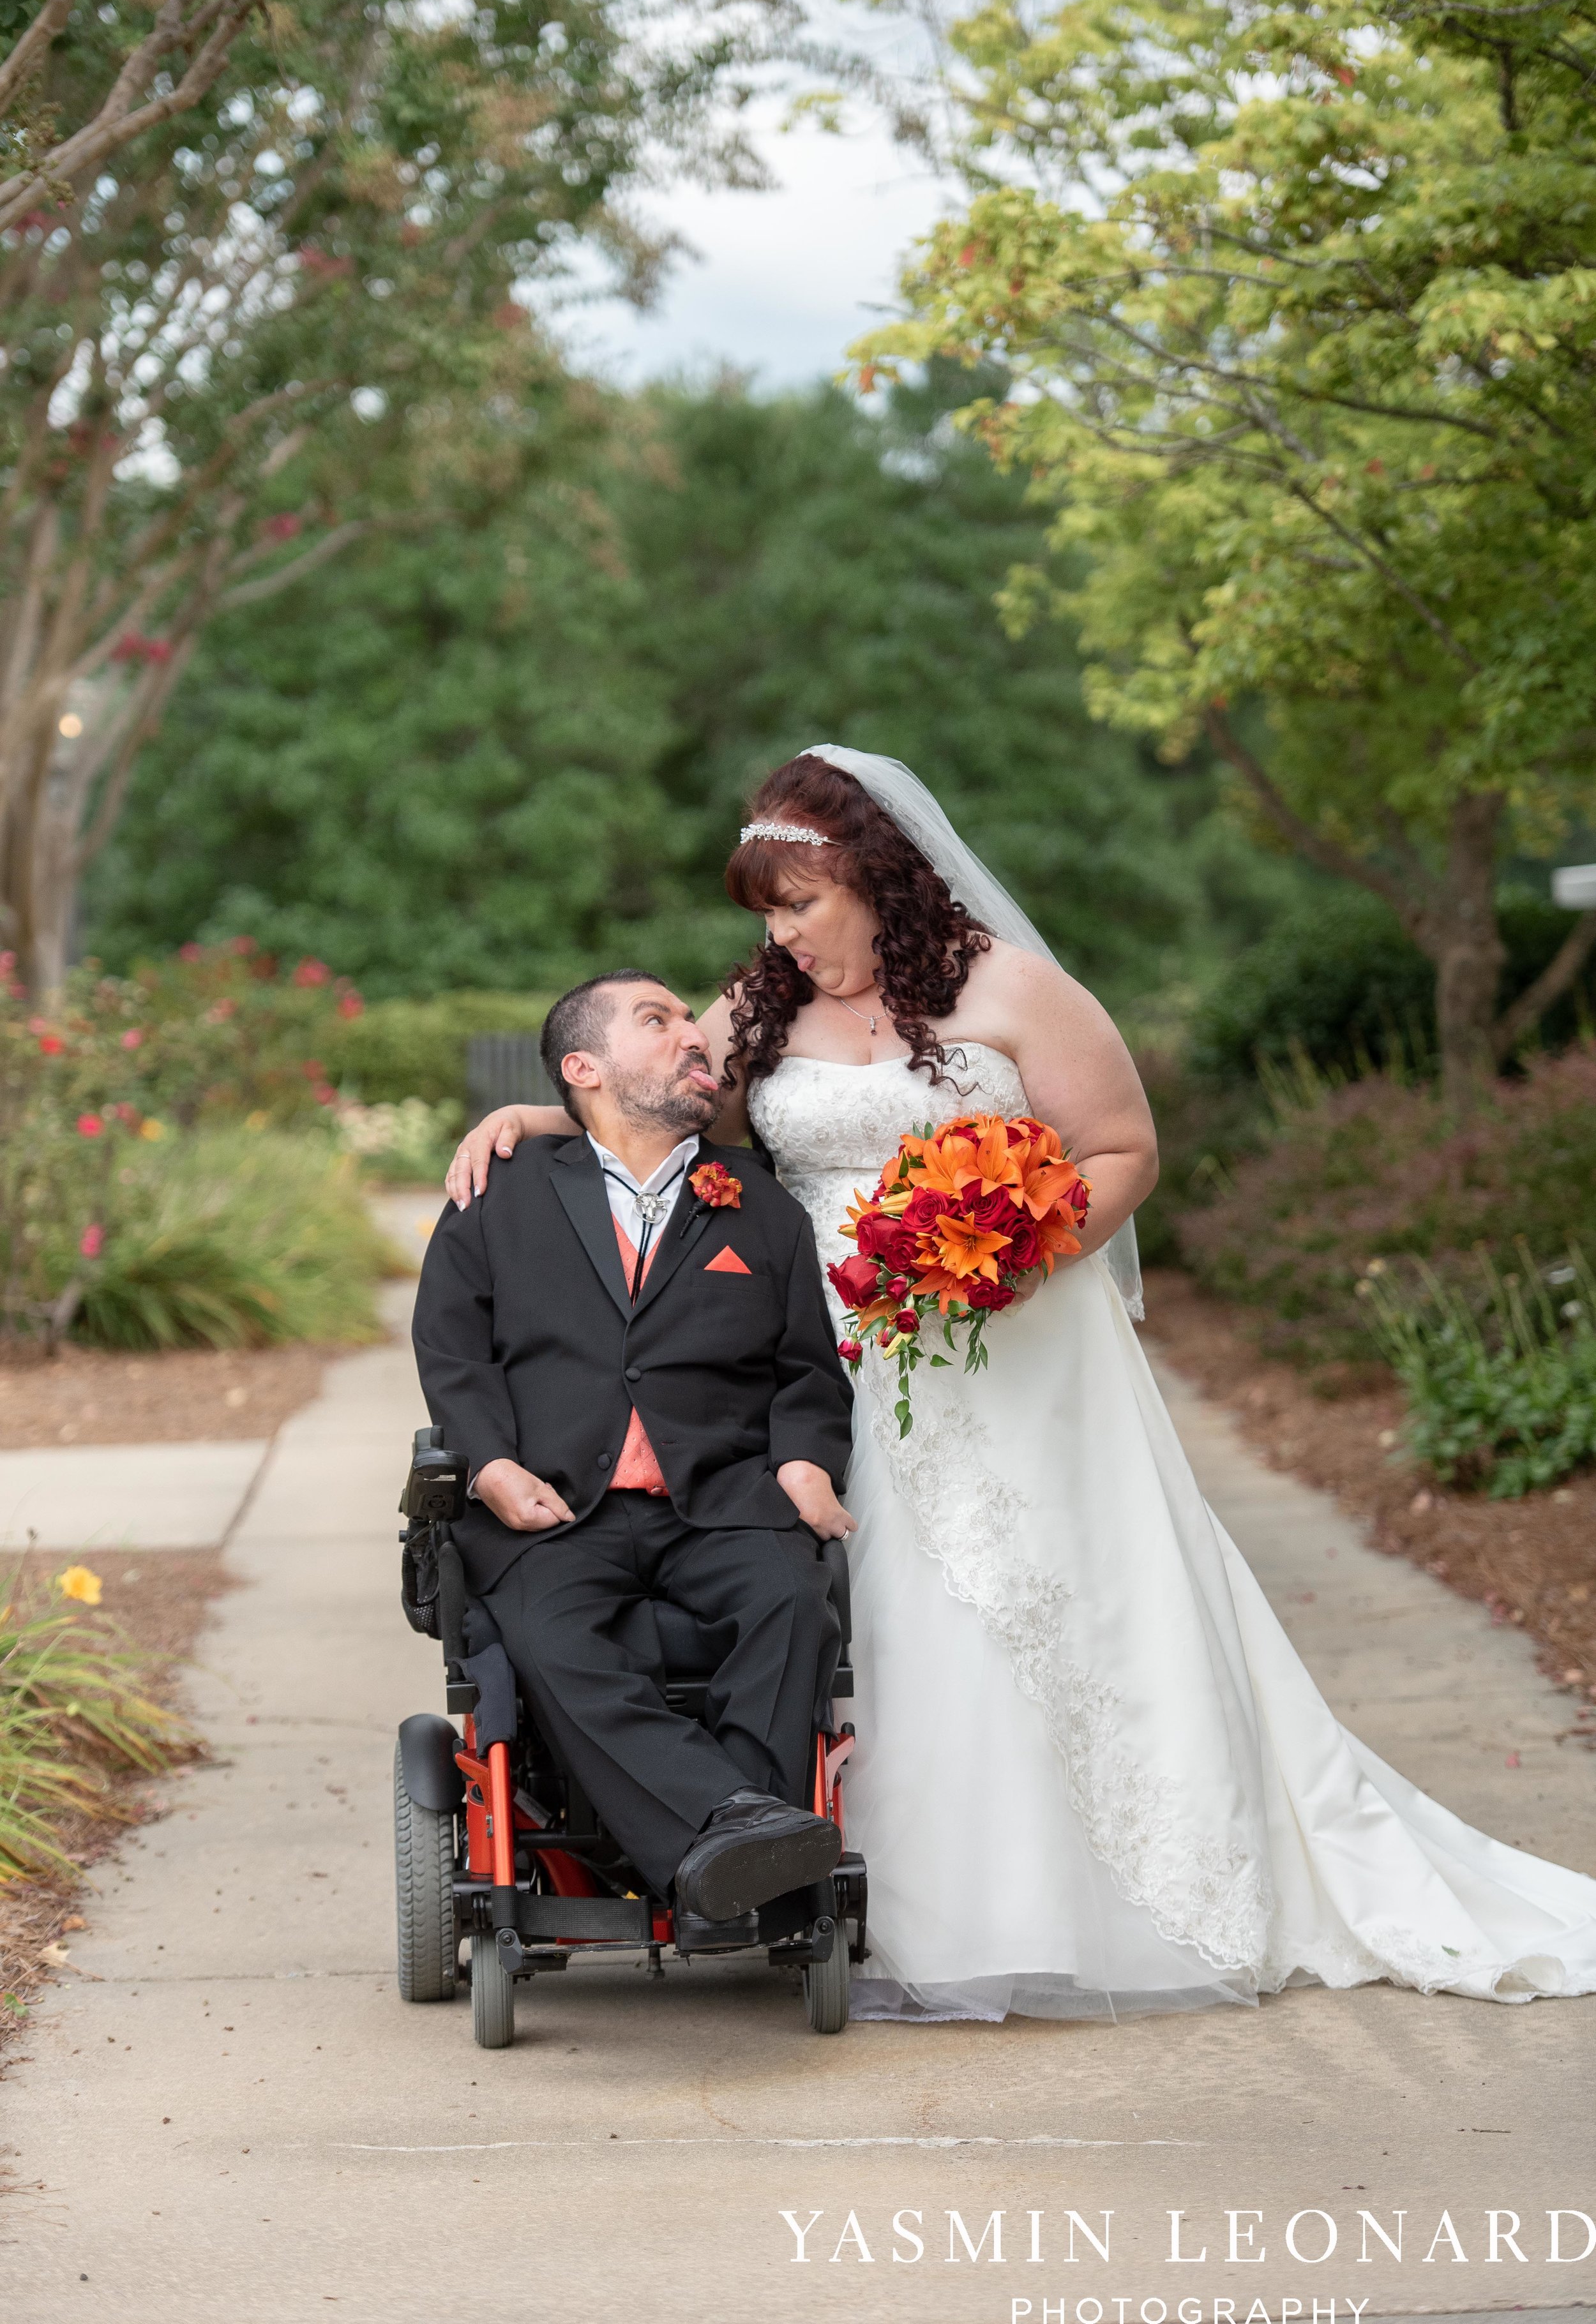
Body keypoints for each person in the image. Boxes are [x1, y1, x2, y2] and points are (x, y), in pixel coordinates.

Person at [446, 749, 1596, 2021]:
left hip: (1009, 1333)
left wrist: (1004, 1258)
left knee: (1043, 1598)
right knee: (865, 1601)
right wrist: (525, 1125)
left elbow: (1121, 1150)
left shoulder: (1015, 990)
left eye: (798, 906)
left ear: (873, 876)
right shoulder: (764, 998)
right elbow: (654, 1095)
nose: (780, 936)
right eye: (766, 913)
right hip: (819, 1343)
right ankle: (824, 1862)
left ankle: (1078, 1897)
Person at [413, 966, 855, 1940]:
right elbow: (452, 1350)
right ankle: (736, 1835)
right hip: (555, 1507)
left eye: (690, 1024)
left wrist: (805, 1459)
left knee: (792, 1602)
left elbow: (808, 1372)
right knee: (547, 1641)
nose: (694, 1037)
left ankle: (721, 1853)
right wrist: (488, 1466)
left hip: (724, 1498)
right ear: (586, 1066)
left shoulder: (760, 1204)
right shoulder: (498, 1192)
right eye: (656, 1022)